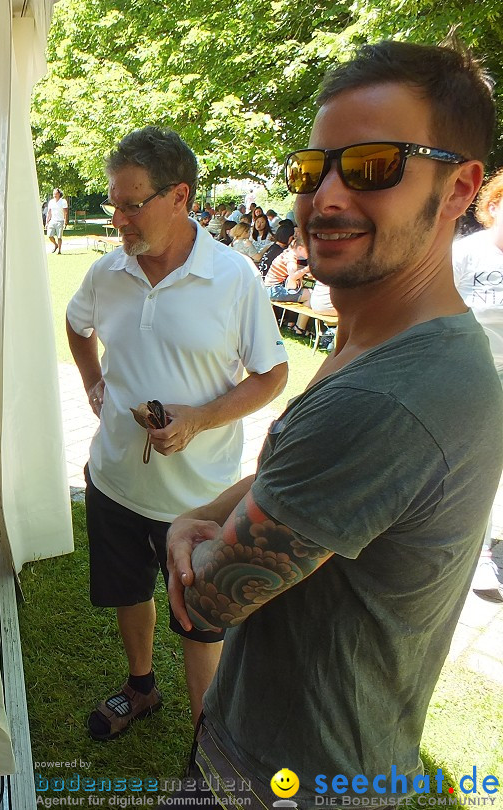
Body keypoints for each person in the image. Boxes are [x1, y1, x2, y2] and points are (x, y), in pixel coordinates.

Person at [165, 38, 501, 807]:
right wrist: (201, 515)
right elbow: (293, 479)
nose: (328, 197)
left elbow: (207, 603)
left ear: (460, 188)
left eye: (375, 164)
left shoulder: (391, 395)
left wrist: (185, 538)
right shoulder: (378, 339)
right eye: (313, 170)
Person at [66, 127, 288, 740]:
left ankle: (205, 742)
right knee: (126, 591)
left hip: (197, 498)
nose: (119, 219)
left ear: (180, 197)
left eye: (132, 204)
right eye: (114, 203)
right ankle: (140, 686)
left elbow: (272, 374)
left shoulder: (233, 277)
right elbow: (76, 325)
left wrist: (199, 419)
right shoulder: (107, 271)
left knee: (199, 621)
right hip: (113, 479)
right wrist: (92, 384)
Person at [453, 166, 503, 602]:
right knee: (476, 465)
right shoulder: (467, 253)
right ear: (492, 205)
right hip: (468, 374)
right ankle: (480, 553)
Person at [262, 228, 312, 303]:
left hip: (270, 289)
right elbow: (293, 276)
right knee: (310, 295)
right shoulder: (291, 258)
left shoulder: (288, 252)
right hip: (274, 290)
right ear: (300, 248)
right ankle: (300, 315)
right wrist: (306, 269)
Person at [46, 188, 68, 254]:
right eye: (53, 194)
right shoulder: (51, 202)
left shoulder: (63, 201)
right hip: (52, 221)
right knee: (49, 235)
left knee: (59, 237)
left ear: (59, 194)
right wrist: (47, 222)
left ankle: (59, 250)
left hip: (60, 221)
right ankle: (56, 245)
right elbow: (49, 212)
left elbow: (65, 212)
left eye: (55, 194)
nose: (54, 195)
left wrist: (65, 221)